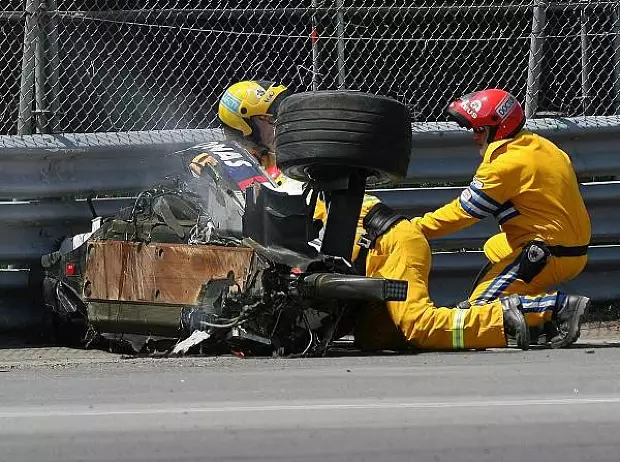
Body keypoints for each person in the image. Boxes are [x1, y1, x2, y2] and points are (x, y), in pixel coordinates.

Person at [192, 81, 590, 351]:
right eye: (268, 121)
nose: (281, 127)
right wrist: (218, 167)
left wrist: (415, 227)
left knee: (424, 326)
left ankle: (547, 312)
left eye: (283, 119)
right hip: (369, 254)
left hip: (387, 241)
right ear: (243, 128)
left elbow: (466, 212)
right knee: (375, 336)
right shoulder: (264, 170)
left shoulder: (304, 166)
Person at [412, 89, 591, 314]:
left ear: (499, 127)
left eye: (479, 129)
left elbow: (462, 213)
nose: (474, 136)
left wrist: (413, 229)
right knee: (494, 247)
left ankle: (559, 309)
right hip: (571, 251)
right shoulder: (543, 146)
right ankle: (532, 311)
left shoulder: (505, 165)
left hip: (544, 253)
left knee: (477, 315)